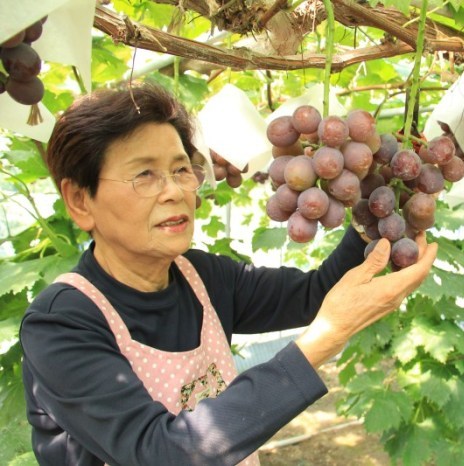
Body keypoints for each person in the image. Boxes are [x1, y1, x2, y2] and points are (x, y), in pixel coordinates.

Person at [20, 84, 437, 466]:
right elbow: (161, 452)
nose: (174, 191)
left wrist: (375, 217)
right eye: (145, 174)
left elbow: (315, 295)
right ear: (79, 201)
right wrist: (324, 340)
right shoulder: (60, 324)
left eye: (182, 170)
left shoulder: (202, 277)